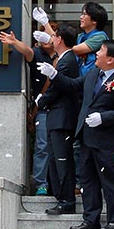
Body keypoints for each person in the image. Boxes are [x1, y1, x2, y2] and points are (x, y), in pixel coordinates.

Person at [39, 40, 114, 229]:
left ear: (111, 59)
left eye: (101, 51)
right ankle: (91, 219)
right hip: (86, 137)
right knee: (88, 180)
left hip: (107, 140)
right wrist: (55, 74)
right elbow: (73, 85)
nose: (97, 53)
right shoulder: (92, 74)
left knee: (110, 181)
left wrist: (103, 118)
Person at [0, 23, 57, 196]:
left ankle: (62, 183)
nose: (45, 38)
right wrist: (14, 42)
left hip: (63, 107)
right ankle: (41, 183)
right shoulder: (37, 53)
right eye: (41, 35)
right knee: (42, 146)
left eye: (49, 35)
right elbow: (27, 51)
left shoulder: (64, 55)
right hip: (44, 107)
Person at [30, 24, 80, 215]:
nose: (51, 39)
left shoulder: (67, 61)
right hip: (56, 116)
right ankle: (62, 198)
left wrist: (42, 100)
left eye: (54, 36)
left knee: (62, 160)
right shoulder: (62, 58)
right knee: (55, 159)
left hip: (62, 117)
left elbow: (58, 87)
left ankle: (66, 201)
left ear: (59, 39)